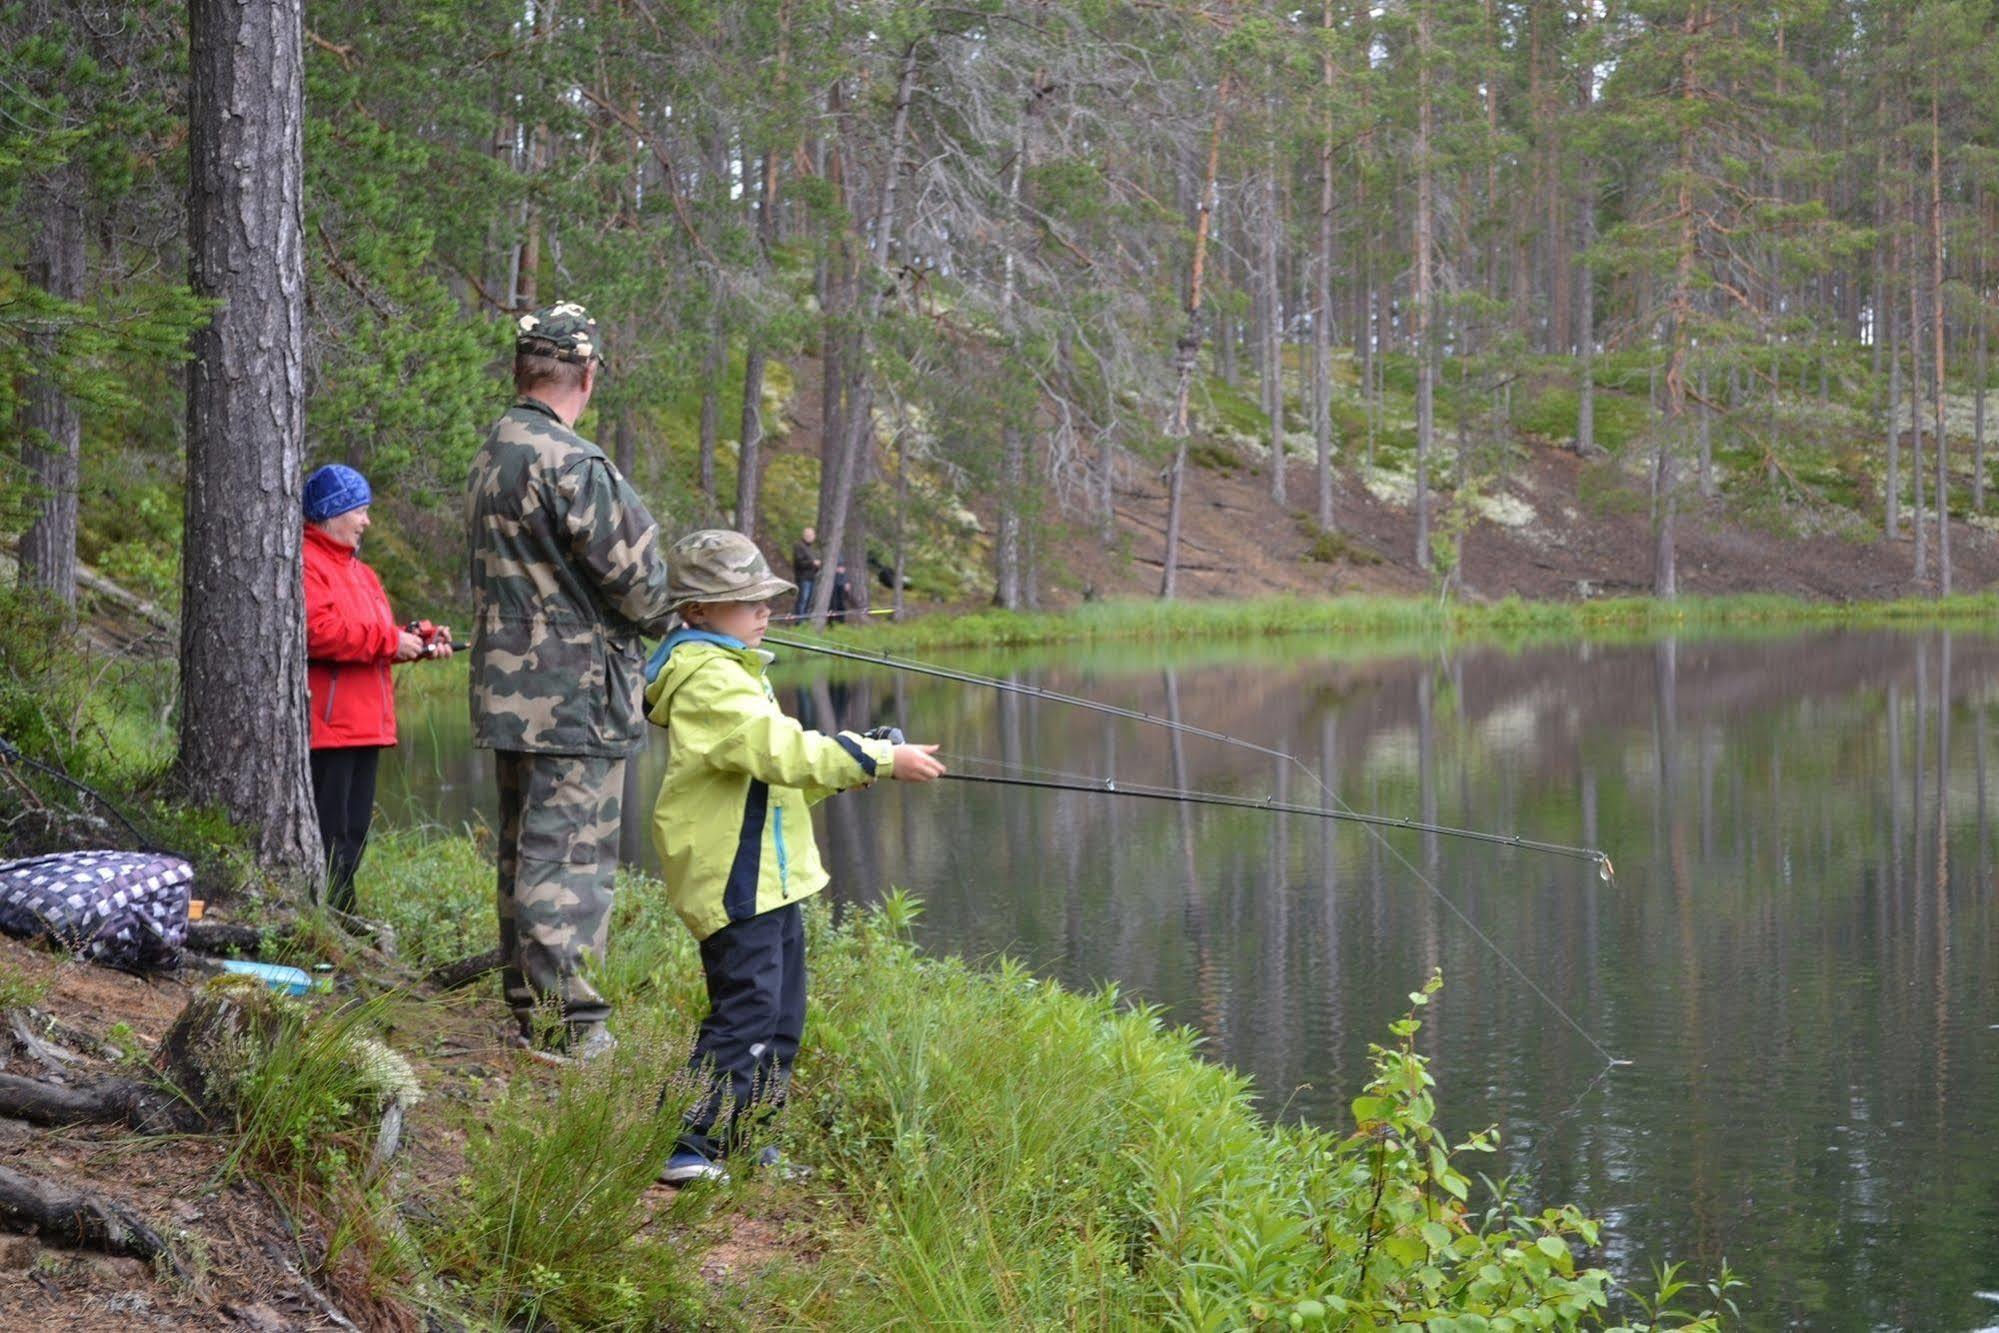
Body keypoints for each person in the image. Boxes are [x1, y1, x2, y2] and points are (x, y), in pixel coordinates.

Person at [644, 529, 945, 1184]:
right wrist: (882, 758)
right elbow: (779, 750)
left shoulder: (737, 672)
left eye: (765, 599)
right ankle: (687, 1145)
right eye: (746, 600)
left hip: (773, 877)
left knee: (780, 1019)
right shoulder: (706, 679)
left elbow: (782, 773)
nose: (764, 611)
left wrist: (856, 761)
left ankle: (748, 1140)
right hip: (734, 875)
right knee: (744, 1012)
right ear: (697, 611)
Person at [466, 302, 677, 1064]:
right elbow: (645, 589)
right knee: (569, 861)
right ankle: (569, 1029)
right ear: (586, 375)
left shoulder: (495, 449)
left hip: (508, 688)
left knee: (525, 851)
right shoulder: (573, 462)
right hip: (573, 697)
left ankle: (530, 1009)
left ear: (523, 371)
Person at [302, 463, 452, 914]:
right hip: (329, 728)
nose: (366, 521)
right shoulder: (308, 564)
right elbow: (318, 631)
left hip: (365, 724)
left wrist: (420, 638)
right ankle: (330, 916)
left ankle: (341, 915)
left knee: (354, 832)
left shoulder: (361, 573)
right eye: (359, 511)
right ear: (333, 512)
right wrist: (390, 641)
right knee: (331, 833)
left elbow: (373, 631)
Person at [790, 526, 821, 617]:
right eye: (810, 535)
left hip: (812, 577)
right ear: (805, 535)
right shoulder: (799, 546)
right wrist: (813, 563)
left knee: (808, 600)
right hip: (803, 577)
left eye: (812, 535)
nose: (812, 537)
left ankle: (804, 619)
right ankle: (799, 620)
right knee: (803, 599)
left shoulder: (811, 548)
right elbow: (799, 562)